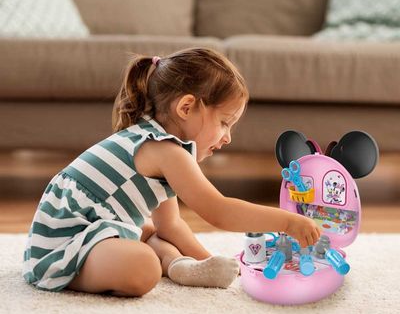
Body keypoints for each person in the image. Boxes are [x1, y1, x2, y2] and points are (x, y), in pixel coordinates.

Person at [22, 47, 321, 297]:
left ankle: (182, 266)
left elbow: (170, 226)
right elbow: (218, 210)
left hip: (95, 229)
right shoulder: (166, 151)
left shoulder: (156, 142)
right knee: (143, 266)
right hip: (61, 244)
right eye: (224, 123)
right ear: (187, 108)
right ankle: (66, 272)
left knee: (151, 232)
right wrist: (287, 222)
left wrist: (209, 260)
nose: (227, 137)